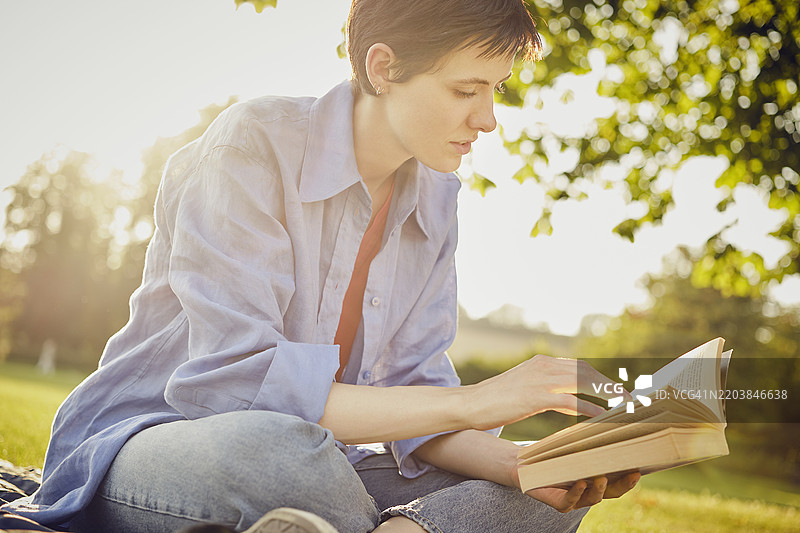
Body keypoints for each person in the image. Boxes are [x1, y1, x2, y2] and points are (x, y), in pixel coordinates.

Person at [2, 1, 640, 532]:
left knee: (541, 498)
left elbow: (419, 409)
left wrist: (528, 463)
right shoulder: (252, 144)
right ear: (383, 67)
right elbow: (235, 386)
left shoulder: (437, 200)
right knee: (281, 452)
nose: (488, 120)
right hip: (164, 442)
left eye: (494, 90)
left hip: (330, 468)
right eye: (464, 91)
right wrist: (474, 403)